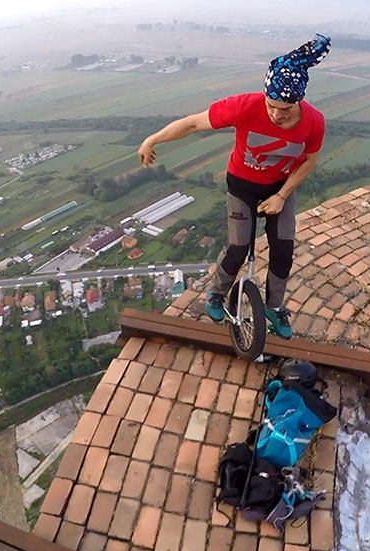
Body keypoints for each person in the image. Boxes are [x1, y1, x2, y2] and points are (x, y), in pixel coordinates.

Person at [137, 34, 331, 339]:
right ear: (264, 95)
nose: (277, 115)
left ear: (299, 101)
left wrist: (282, 195)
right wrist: (152, 139)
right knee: (238, 246)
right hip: (242, 185)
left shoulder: (314, 122)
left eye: (286, 109)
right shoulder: (244, 106)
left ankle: (275, 307)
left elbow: (308, 160)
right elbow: (192, 123)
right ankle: (216, 294)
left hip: (280, 187)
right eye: (271, 106)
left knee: (283, 250)